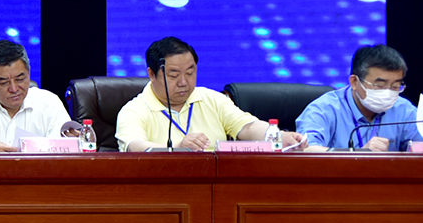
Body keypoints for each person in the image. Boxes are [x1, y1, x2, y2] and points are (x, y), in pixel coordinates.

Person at [116, 36, 306, 152]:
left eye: (190, 73)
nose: (183, 82)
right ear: (152, 74)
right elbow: (136, 147)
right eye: (173, 75)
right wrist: (177, 149)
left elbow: (247, 127)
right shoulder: (134, 110)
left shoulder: (211, 99)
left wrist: (279, 136)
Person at [295, 45, 421, 152]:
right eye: (380, 85)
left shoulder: (404, 110)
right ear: (354, 82)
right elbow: (306, 150)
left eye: (395, 86)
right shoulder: (324, 109)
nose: (388, 93)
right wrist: (358, 154)